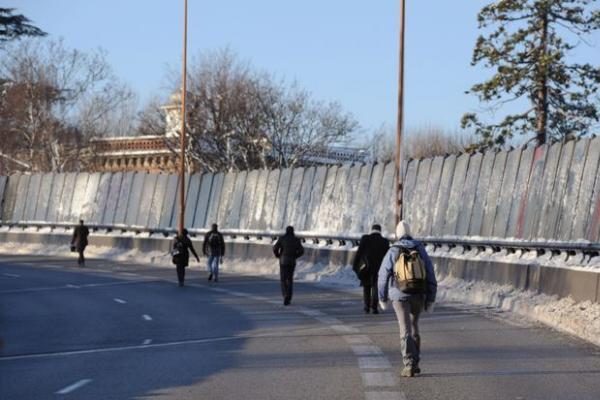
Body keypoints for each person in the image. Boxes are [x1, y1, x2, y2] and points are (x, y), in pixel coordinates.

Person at [378, 221, 437, 377]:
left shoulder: (394, 250)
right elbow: (430, 273)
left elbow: (383, 275)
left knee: (405, 329)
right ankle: (416, 361)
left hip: (399, 295)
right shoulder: (419, 248)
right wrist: (431, 298)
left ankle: (409, 364)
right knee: (414, 325)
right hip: (419, 293)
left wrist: (382, 298)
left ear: (397, 234)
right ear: (410, 232)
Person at [353, 224, 390, 314]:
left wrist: (355, 266)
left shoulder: (365, 239)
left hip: (366, 267)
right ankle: (374, 307)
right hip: (379, 268)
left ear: (372, 230)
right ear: (380, 231)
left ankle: (366, 306)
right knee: (376, 287)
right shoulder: (384, 241)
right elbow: (387, 256)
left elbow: (359, 253)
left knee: (366, 286)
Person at [273, 226, 304, 306]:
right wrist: (295, 256)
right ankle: (289, 297)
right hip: (292, 261)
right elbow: (301, 251)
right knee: (289, 279)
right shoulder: (296, 240)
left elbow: (275, 248)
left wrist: (278, 255)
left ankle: (285, 295)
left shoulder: (282, 238)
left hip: (283, 261)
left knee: (283, 279)